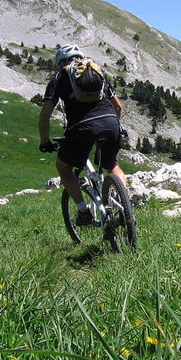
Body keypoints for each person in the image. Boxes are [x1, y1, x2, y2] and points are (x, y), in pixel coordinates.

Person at [38, 44, 126, 226]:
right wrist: (117, 126)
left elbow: (45, 114)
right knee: (113, 166)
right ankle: (125, 204)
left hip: (82, 128)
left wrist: (45, 141)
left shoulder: (60, 76)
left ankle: (84, 212)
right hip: (111, 122)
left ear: (60, 62)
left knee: (64, 168)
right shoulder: (95, 71)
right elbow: (118, 106)